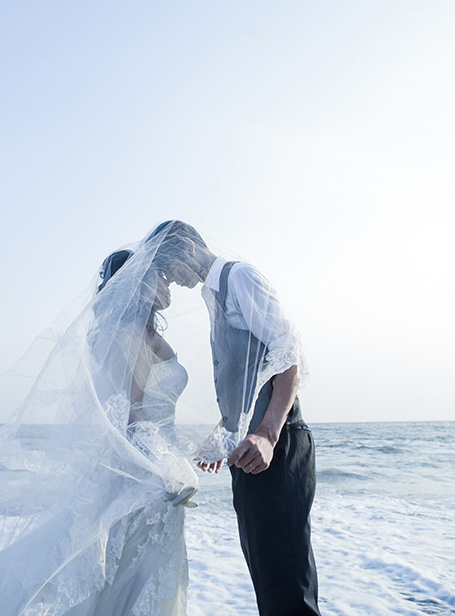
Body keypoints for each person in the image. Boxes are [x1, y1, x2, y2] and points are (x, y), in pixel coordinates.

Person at [0, 233, 198, 616]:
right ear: (137, 284)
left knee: (128, 581)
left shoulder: (134, 334)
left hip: (141, 472)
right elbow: (134, 416)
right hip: (144, 478)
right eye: (158, 277)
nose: (166, 284)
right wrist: (171, 472)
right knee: (128, 582)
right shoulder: (130, 336)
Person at [149, 220, 320, 616]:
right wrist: (224, 433)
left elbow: (289, 351)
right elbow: (246, 380)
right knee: (267, 577)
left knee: (288, 585)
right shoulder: (213, 295)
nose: (171, 283)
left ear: (189, 247)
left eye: (169, 271)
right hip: (250, 449)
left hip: (277, 443)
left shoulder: (240, 276)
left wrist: (266, 434)